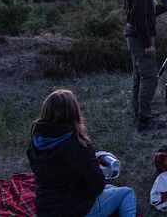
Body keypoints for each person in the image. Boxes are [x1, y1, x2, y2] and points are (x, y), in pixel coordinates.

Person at [27, 89, 137, 217]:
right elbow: (97, 187)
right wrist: (97, 167)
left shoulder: (36, 142)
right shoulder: (78, 146)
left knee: (111, 189)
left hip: (45, 209)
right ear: (73, 113)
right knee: (127, 193)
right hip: (76, 210)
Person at [123, 0, 167, 131]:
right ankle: (144, 119)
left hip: (133, 36)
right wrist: (147, 44)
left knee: (139, 75)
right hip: (139, 38)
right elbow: (138, 18)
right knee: (150, 77)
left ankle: (139, 112)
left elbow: (147, 12)